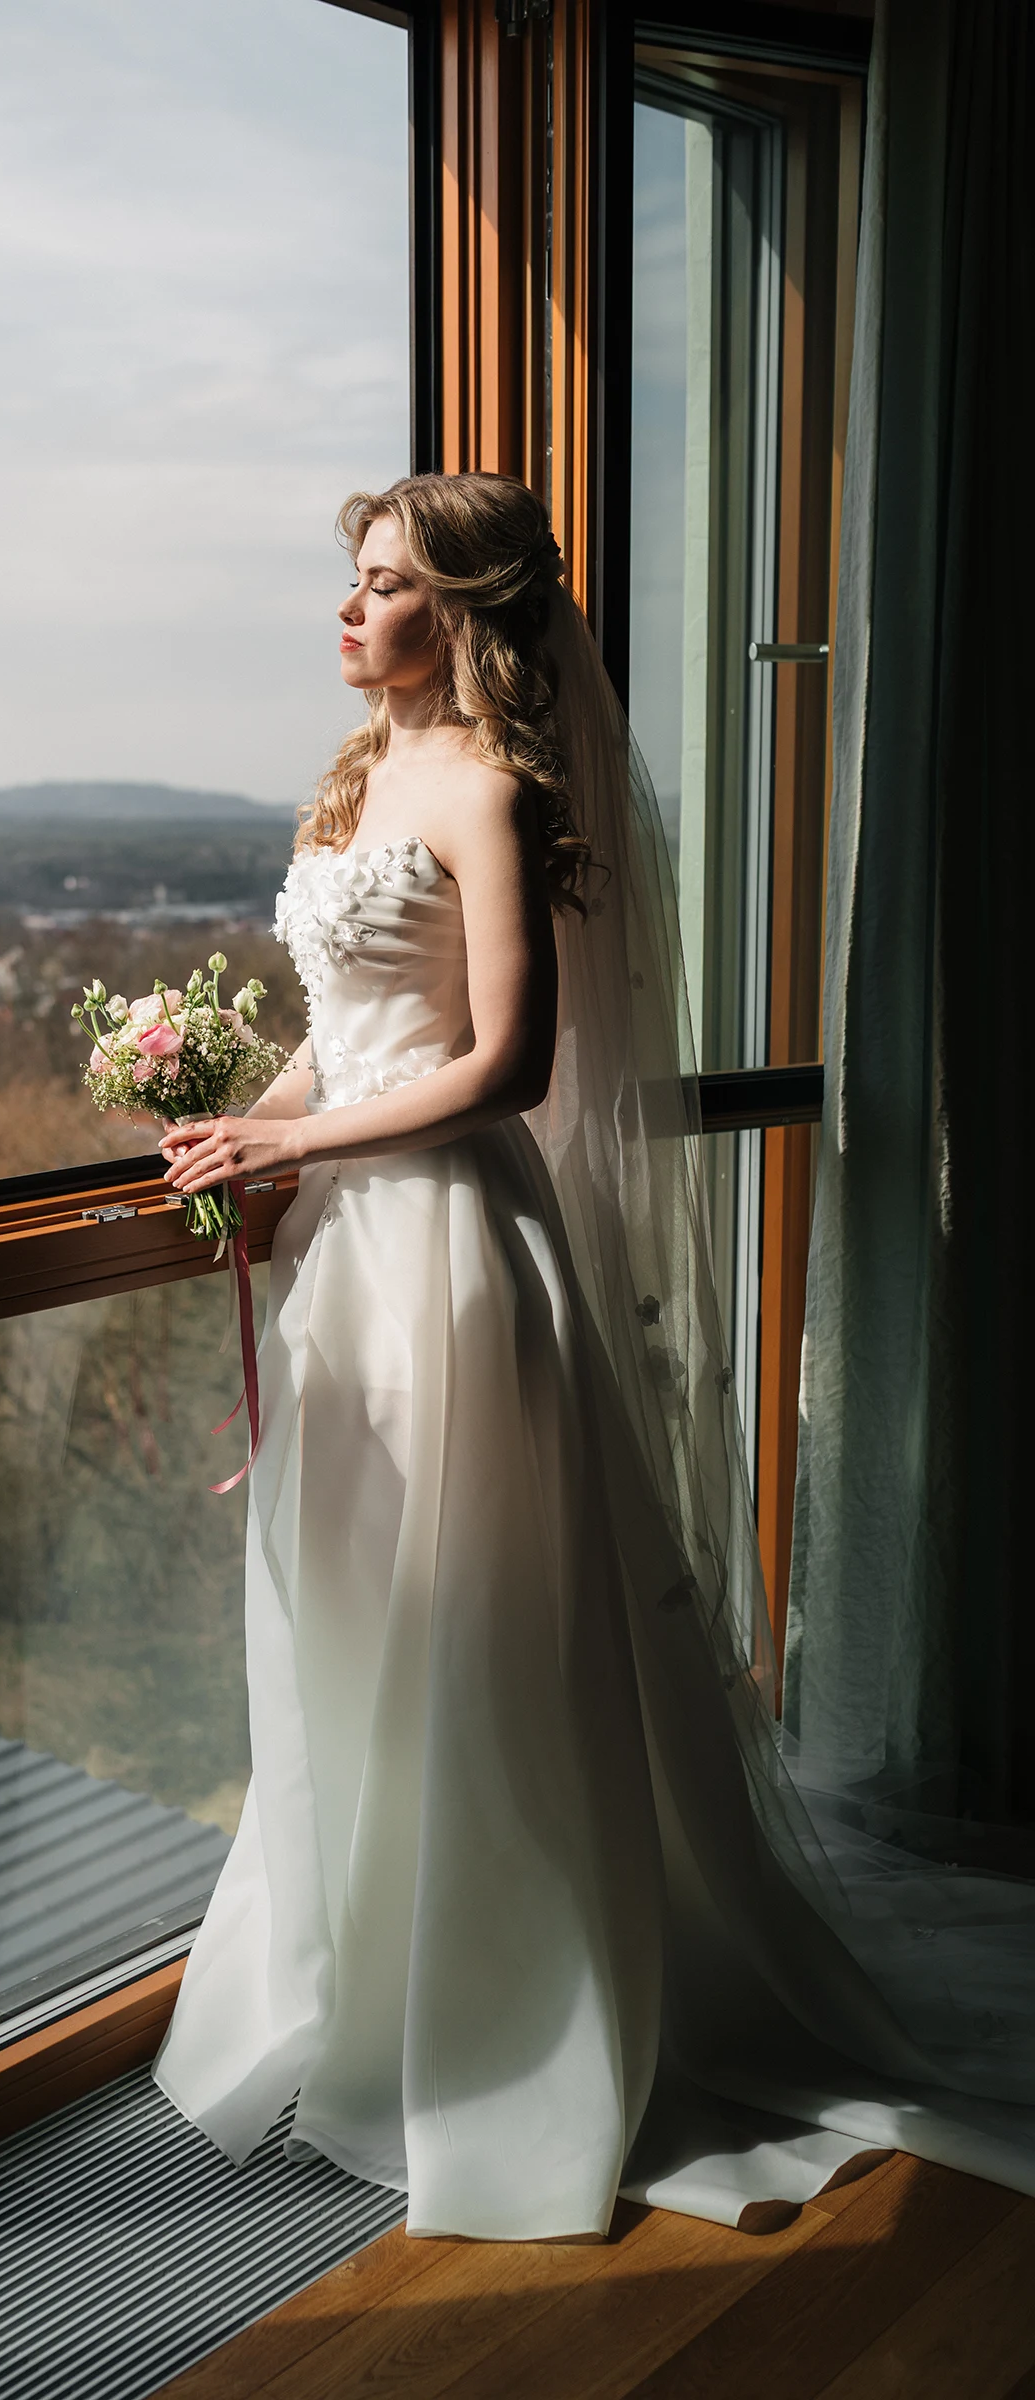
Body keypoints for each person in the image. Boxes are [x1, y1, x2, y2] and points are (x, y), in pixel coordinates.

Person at [150, 472, 1035, 2242]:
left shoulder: (492, 789)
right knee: (354, 1621)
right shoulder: (355, 779)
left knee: (474, 1632)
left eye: (386, 583)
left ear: (466, 612)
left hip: (455, 1262)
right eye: (353, 579)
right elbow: (345, 1037)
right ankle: (363, 1979)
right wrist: (238, 1132)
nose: (350, 609)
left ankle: (506, 2024)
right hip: (348, 1265)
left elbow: (506, 1067)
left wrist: (292, 1147)